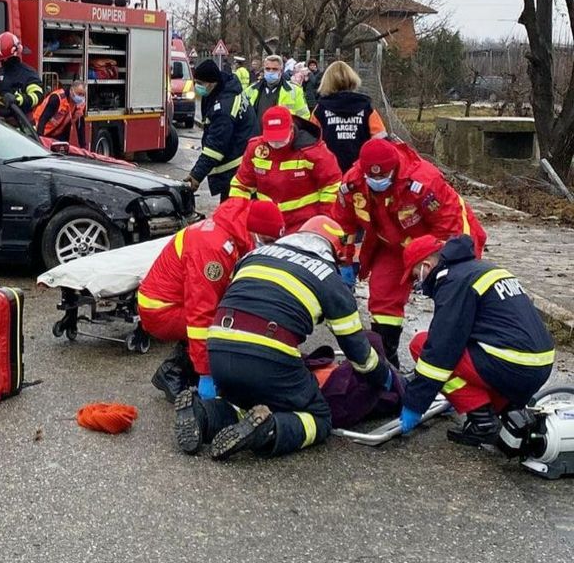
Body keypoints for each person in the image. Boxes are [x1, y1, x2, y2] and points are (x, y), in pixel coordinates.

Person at [173, 215, 394, 459]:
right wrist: (383, 376)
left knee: (242, 404)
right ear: (334, 249)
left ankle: (202, 414)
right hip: (266, 353)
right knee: (319, 416)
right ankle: (269, 431)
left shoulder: (253, 256)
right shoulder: (328, 278)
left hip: (218, 347)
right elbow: (358, 350)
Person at [332, 137, 487, 368]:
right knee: (383, 295)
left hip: (442, 244)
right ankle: (387, 359)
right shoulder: (353, 183)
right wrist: (344, 261)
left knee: (455, 298)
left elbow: (450, 227)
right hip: (393, 244)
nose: (375, 181)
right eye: (370, 176)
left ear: (393, 169)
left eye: (381, 176)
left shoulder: (423, 181)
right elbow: (342, 224)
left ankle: (462, 353)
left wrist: (439, 264)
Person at [400, 234, 554, 446]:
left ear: (426, 265)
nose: (416, 282)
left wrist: (415, 404)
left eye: (415, 275)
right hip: (539, 366)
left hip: (512, 366)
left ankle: (483, 422)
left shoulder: (453, 282)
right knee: (460, 349)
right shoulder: (481, 268)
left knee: (421, 344)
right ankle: (501, 410)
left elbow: (440, 351)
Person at [141, 200, 286, 402]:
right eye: (267, 241)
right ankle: (172, 373)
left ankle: (183, 368)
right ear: (253, 230)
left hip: (171, 302)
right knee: (227, 325)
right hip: (162, 310)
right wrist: (206, 373)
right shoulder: (213, 249)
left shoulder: (233, 232)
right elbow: (200, 315)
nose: (268, 247)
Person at [229, 106, 342, 233]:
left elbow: (332, 185)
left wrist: (323, 220)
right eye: (272, 139)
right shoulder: (256, 149)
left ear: (291, 129)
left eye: (281, 138)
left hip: (304, 224)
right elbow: (241, 185)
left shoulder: (313, 151)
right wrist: (239, 216)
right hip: (268, 223)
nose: (276, 143)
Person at [183, 59, 257, 202]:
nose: (197, 86)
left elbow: (215, 147)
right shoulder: (223, 89)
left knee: (232, 213)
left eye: (200, 83)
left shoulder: (224, 108)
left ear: (211, 83)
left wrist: (196, 175)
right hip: (243, 164)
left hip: (238, 170)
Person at [310, 60, 386, 173]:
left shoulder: (320, 109)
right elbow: (380, 138)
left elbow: (311, 141)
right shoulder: (366, 108)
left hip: (329, 171)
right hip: (361, 171)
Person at [245, 54, 310, 131]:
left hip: (282, 138)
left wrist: (291, 132)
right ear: (263, 70)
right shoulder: (250, 90)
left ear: (281, 71)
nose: (271, 71)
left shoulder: (294, 91)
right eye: (268, 69)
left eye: (275, 69)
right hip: (256, 137)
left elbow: (304, 117)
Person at [0, 32, 44, 116]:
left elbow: (38, 95)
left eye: (6, 59)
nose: (4, 62)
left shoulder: (28, 74)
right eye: (2, 60)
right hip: (0, 123)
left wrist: (18, 99)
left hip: (22, 123)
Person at [32, 80, 87, 145]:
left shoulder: (78, 106)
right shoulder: (57, 98)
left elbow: (80, 128)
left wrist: (83, 148)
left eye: (83, 95)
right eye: (79, 94)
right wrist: (40, 140)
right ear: (72, 90)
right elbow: (43, 120)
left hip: (56, 135)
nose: (81, 97)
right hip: (38, 130)